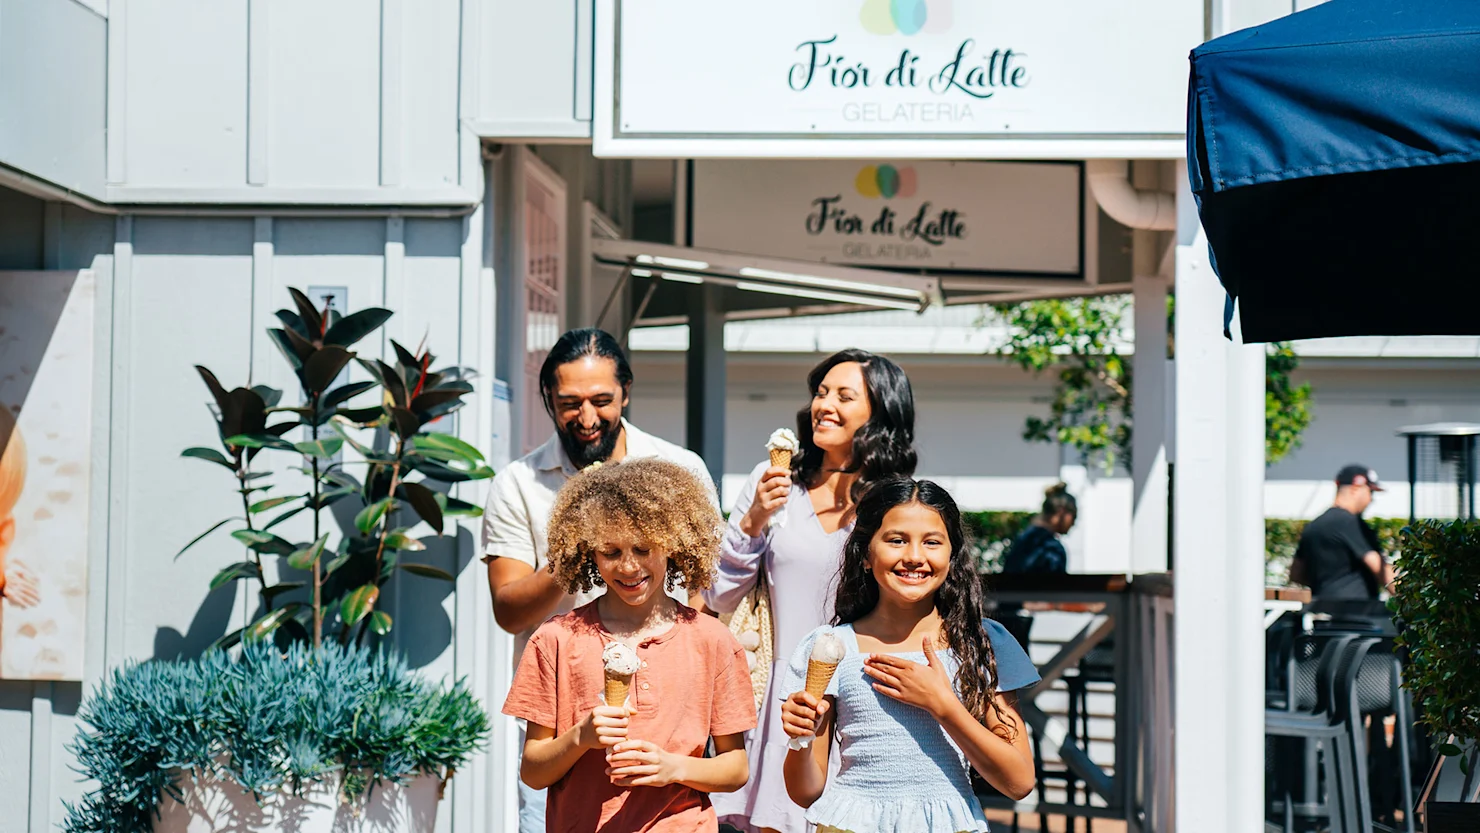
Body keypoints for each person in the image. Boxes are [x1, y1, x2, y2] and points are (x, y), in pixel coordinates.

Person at [482, 327, 717, 833]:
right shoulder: (518, 483)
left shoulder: (679, 468)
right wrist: (577, 545)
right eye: (570, 403)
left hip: (668, 715)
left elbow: (701, 593)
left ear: (625, 392)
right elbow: (509, 610)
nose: (587, 418)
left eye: (601, 400)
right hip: (563, 721)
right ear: (549, 398)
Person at [703, 348, 917, 833]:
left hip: (865, 691)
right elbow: (719, 595)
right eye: (821, 393)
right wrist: (754, 519)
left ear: (880, 412)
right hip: (779, 692)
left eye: (844, 395)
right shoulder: (772, 482)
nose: (825, 405)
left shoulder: (895, 499)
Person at [501, 458, 756, 832]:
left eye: (642, 548)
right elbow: (533, 772)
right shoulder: (555, 640)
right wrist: (580, 737)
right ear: (588, 551)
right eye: (611, 552)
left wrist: (673, 767)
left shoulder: (712, 640)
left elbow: (736, 768)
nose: (628, 566)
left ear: (673, 544)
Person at [780, 478, 1040, 832]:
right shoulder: (830, 647)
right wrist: (801, 737)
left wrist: (943, 705)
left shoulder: (983, 644)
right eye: (897, 540)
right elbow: (805, 791)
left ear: (952, 555)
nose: (915, 556)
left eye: (932, 542)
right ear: (866, 554)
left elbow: (1019, 781)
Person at [1290, 464, 1394, 599]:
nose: (1371, 500)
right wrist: (1412, 600)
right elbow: (1380, 569)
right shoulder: (1351, 523)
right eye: (1371, 492)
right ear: (1356, 488)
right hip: (1357, 609)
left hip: (1321, 606)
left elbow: (1296, 574)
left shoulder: (1313, 526)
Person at [1001, 483, 1077, 575]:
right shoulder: (1052, 549)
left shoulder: (1022, 540)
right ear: (1061, 512)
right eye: (1074, 516)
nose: (1073, 523)